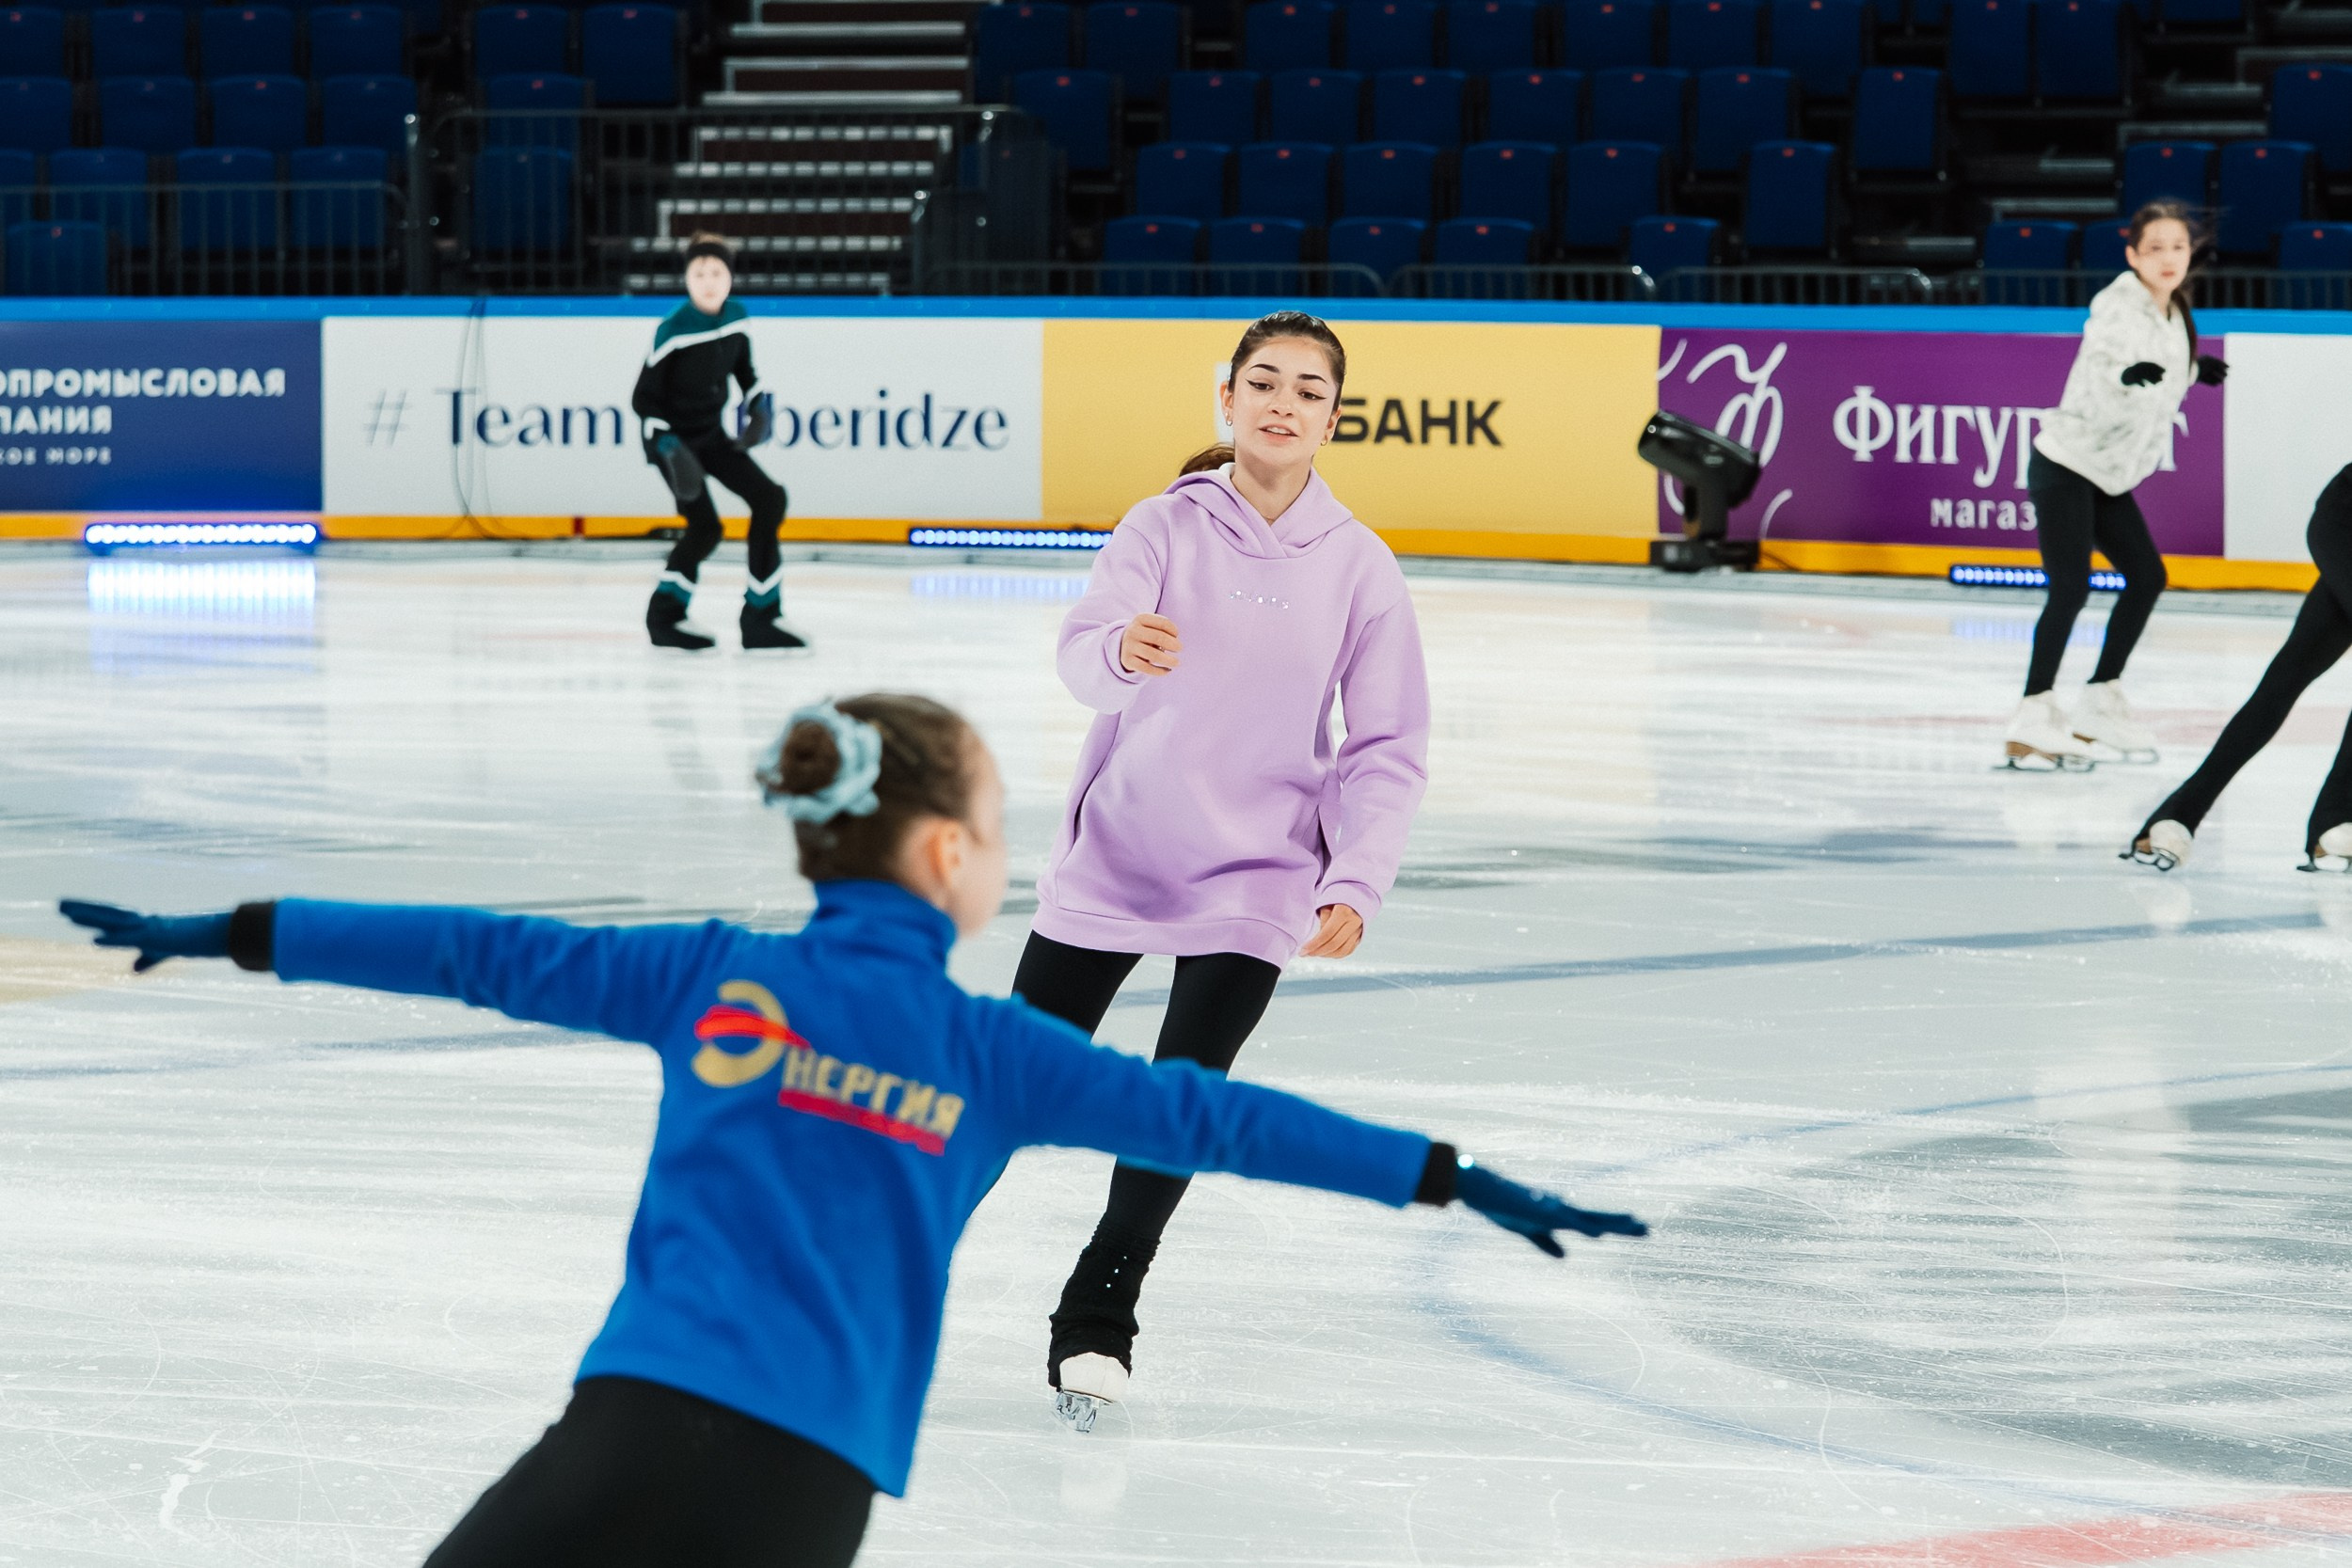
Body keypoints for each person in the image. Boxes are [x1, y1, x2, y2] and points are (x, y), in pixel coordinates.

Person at [59, 692, 1645, 1568]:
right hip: (807, 1491)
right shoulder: (994, 1049)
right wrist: (1439, 1175)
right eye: (1005, 836)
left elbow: (473, 948)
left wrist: (243, 927)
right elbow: (1212, 1116)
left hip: (623, 1434)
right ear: (950, 853)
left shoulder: (705, 979)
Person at [1014, 311, 1432, 1427]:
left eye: (1307, 388)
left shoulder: (1360, 567)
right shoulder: (1162, 524)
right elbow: (1084, 642)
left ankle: (1099, 1314)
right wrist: (1117, 651)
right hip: (1124, 843)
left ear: (1334, 416)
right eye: (1263, 382)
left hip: (1256, 870)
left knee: (1180, 1094)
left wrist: (1354, 877)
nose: (1282, 402)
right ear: (1228, 398)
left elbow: (1385, 745)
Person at [2004, 200, 2228, 770]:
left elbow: (2159, 364)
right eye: (2154, 248)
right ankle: (2032, 714)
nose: (2168, 258)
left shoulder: (2174, 309)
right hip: (2067, 463)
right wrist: (2123, 375)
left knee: (2148, 577)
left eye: (2178, 246)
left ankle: (2100, 698)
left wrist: (2192, 370)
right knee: (2071, 588)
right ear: (2133, 255)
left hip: (2108, 472)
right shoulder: (2117, 302)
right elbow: (2108, 356)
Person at [2130, 466, 2352, 872]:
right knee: (2287, 678)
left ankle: (2178, 814)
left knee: (2288, 676)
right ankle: (2336, 817)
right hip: (2346, 519)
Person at [630, 231, 802, 652]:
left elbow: (746, 372)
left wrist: (758, 406)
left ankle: (761, 615)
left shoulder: (737, 318)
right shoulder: (673, 330)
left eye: (717, 272)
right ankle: (663, 618)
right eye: (699, 272)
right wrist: (669, 447)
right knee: (706, 528)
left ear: (729, 277)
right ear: (687, 279)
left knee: (769, 499)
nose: (708, 281)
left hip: (710, 435)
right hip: (671, 442)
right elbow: (643, 400)